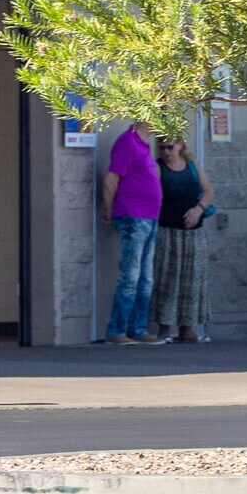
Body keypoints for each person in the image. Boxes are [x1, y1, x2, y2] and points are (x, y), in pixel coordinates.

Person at [100, 120, 166, 345]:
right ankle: (116, 331)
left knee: (145, 278)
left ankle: (138, 329)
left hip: (149, 217)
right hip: (133, 216)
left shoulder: (144, 144)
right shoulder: (128, 141)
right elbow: (111, 180)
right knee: (130, 276)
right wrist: (110, 210)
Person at [152, 135, 216, 343]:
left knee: (192, 279)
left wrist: (199, 209)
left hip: (193, 232)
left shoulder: (191, 164)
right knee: (168, 278)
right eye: (162, 148)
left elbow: (208, 190)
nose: (166, 152)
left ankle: (188, 326)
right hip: (168, 231)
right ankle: (165, 326)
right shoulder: (158, 167)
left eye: (170, 147)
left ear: (180, 145)